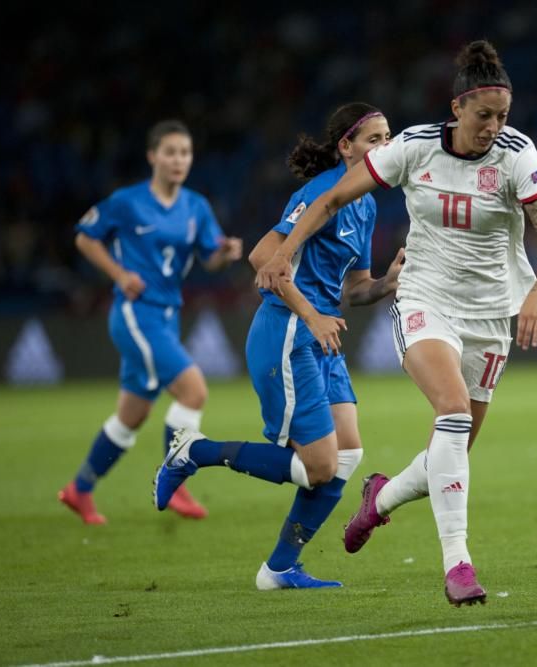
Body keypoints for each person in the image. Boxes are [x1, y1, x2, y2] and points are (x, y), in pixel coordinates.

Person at [257, 40, 537, 606]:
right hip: (425, 298)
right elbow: (328, 200)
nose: (494, 127)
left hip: (492, 315)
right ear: (456, 111)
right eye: (483, 116)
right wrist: (285, 253)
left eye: (503, 116)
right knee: (449, 411)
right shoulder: (413, 149)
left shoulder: (519, 156)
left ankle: (380, 498)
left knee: (452, 451)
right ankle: (459, 566)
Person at [153, 103, 402, 589]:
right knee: (320, 466)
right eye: (374, 139)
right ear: (345, 147)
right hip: (288, 334)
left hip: (321, 338)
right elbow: (264, 256)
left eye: (389, 137)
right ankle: (193, 452)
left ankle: (280, 568)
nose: (386, 147)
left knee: (346, 457)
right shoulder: (320, 193)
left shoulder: (366, 201)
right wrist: (311, 315)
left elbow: (353, 288)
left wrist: (386, 283)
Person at [58, 120, 243, 524]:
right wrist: (120, 275)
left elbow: (209, 258)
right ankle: (174, 481)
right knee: (193, 391)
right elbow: (85, 237)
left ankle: (80, 489)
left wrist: (224, 254)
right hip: (136, 315)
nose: (179, 160)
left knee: (133, 415)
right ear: (152, 157)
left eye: (185, 153)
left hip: (167, 315)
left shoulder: (196, 206)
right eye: (171, 152)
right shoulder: (126, 202)